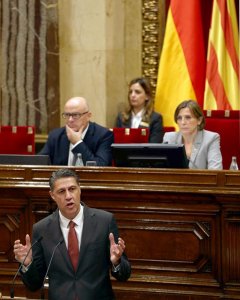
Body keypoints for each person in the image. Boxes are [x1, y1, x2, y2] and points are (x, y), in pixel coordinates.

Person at [13, 168, 131, 300]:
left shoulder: (104, 222)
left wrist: (117, 262)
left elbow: (124, 275)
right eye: (61, 191)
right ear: (52, 195)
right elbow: (34, 285)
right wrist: (27, 264)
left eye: (72, 189)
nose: (68, 196)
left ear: (80, 189)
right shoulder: (42, 229)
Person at [39, 96, 114, 166]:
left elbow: (100, 167)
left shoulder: (104, 135)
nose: (70, 120)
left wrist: (77, 143)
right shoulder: (55, 136)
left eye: (75, 115)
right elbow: (39, 162)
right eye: (67, 115)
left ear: (88, 116)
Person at [163, 100, 223, 169]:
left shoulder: (211, 139)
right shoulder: (169, 138)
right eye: (179, 118)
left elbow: (215, 171)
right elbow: (162, 168)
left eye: (188, 117)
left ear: (199, 120)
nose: (183, 122)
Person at [116, 77, 164, 143]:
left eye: (137, 92)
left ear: (147, 96)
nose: (132, 95)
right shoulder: (121, 117)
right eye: (130, 92)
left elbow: (155, 146)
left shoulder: (155, 118)